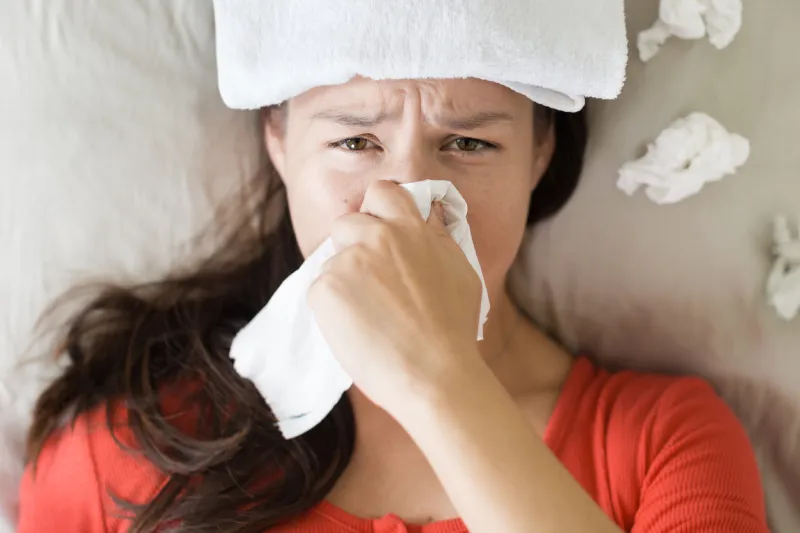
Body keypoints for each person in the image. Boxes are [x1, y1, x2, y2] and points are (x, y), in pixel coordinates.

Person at [18, 76, 769, 533]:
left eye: (469, 144)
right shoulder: (129, 448)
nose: (406, 200)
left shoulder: (667, 443)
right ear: (277, 139)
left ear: (541, 150)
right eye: (355, 142)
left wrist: (441, 380)